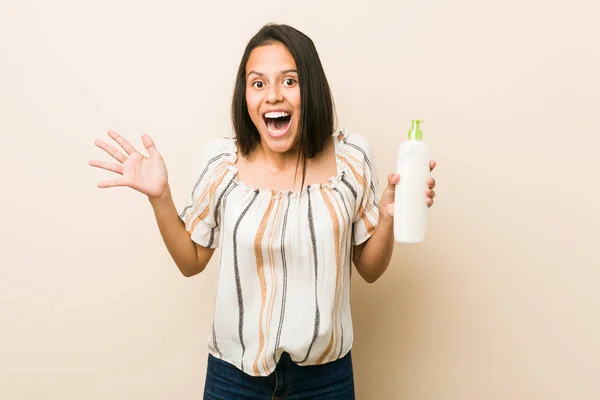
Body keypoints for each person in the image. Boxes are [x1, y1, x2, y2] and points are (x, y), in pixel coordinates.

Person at [89, 23, 436, 400]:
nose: (273, 96)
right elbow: (191, 261)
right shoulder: (222, 163)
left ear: (311, 88)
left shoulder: (351, 160)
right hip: (233, 378)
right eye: (258, 84)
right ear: (246, 96)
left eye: (289, 81)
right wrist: (160, 197)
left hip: (326, 380)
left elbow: (369, 269)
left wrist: (387, 216)